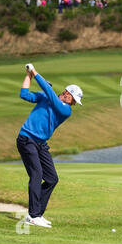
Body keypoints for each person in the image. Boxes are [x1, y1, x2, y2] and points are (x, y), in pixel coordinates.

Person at [17, 63, 83, 228]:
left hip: (40, 144)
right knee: (37, 175)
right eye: (73, 99)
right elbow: (24, 94)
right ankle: (33, 215)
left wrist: (36, 73)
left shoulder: (65, 110)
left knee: (52, 179)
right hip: (26, 139)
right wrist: (29, 75)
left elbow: (50, 93)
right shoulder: (47, 97)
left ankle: (37, 213)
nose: (74, 103)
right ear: (67, 93)